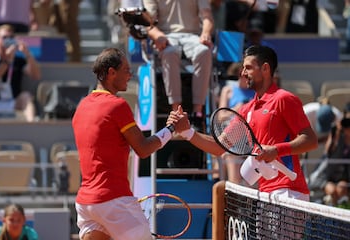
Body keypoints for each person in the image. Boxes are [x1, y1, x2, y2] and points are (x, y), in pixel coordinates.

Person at [169, 45, 318, 201]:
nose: (242, 73)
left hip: (289, 192)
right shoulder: (247, 109)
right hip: (265, 193)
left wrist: (275, 150)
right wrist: (187, 132)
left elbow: (310, 140)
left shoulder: (284, 99)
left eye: (248, 68)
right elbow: (219, 146)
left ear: (265, 69)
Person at [72, 48, 179, 240]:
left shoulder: (81, 106)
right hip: (113, 200)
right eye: (126, 70)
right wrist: (171, 129)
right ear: (111, 72)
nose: (130, 75)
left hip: (86, 204)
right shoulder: (117, 105)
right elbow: (144, 149)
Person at [142, 0, 214, 131]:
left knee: (204, 51)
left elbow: (207, 17)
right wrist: (158, 36)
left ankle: (197, 114)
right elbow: (148, 23)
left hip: (192, 36)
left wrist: (206, 33)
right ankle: (176, 114)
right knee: (170, 52)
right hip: (166, 35)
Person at [0, 24, 41, 122]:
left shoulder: (18, 60)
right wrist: (7, 61)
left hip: (13, 101)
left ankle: (32, 128)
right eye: (4, 38)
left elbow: (36, 75)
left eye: (11, 38)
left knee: (26, 97)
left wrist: (27, 54)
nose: (8, 41)